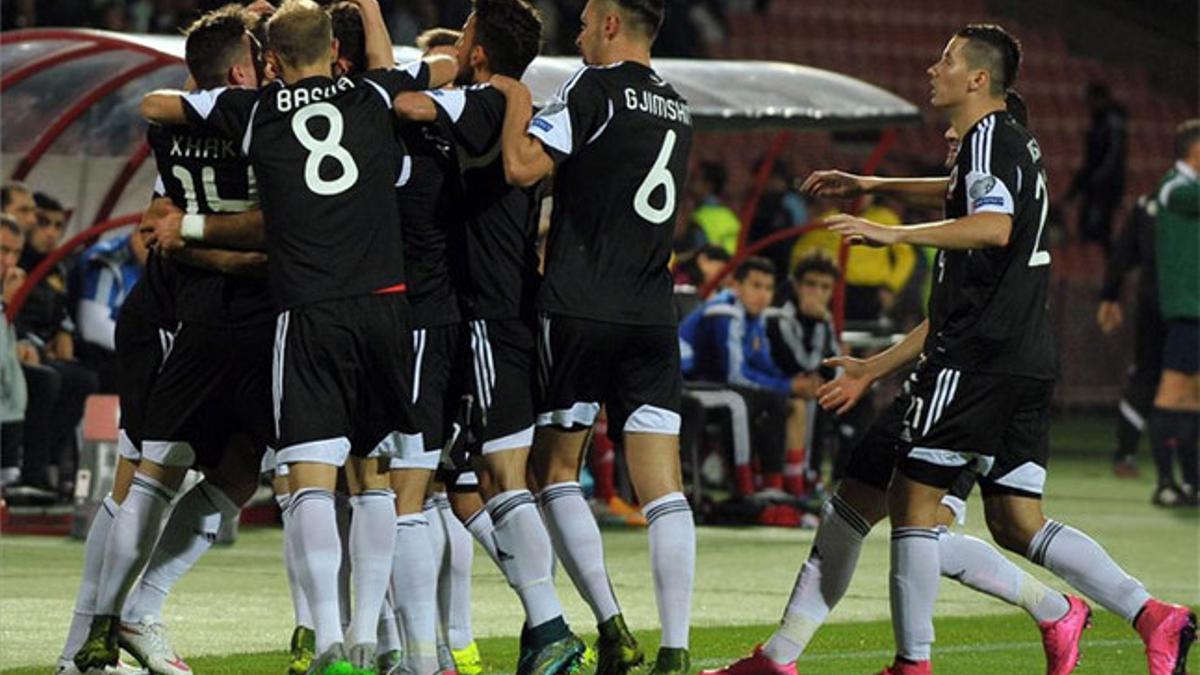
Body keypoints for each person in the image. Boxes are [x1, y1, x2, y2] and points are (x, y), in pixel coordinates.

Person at [809, 25, 1193, 674]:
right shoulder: (1015, 141)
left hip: (978, 359)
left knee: (914, 504)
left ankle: (912, 662)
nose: (934, 68)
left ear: (978, 79)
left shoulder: (988, 139)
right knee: (1018, 520)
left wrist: (886, 229)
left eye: (947, 60)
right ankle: (1155, 615)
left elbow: (990, 223)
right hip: (1025, 357)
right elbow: (964, 190)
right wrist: (874, 183)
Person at [703, 88, 1091, 675]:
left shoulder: (986, 216)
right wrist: (871, 366)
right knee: (853, 508)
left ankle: (1051, 614)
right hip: (940, 380)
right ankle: (780, 658)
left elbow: (968, 309)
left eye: (961, 135)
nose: (949, 141)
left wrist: (892, 229)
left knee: (927, 529)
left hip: (972, 388)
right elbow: (942, 318)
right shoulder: (974, 201)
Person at [137, 1, 455, 670]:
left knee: (307, 478)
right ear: (333, 50)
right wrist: (371, 14)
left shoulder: (257, 110)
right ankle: (370, 638)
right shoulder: (377, 92)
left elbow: (157, 105)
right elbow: (437, 64)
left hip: (309, 309)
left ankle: (331, 640)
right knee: (373, 476)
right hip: (386, 308)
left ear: (272, 62)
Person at [71, 7, 278, 674]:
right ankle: (87, 642)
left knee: (240, 464)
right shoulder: (251, 122)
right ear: (243, 71)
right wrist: (234, 254)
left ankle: (127, 616)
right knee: (144, 470)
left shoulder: (176, 116)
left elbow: (169, 214)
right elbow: (157, 225)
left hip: (217, 315)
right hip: (171, 319)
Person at [493, 0, 696, 671]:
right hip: (652, 313)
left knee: (553, 471)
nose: (576, 35)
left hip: (580, 306)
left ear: (611, 24)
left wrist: (515, 94)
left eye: (583, 22)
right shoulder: (679, 108)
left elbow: (524, 166)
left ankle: (611, 623)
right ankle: (676, 648)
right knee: (662, 487)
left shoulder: (592, 86)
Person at [395, 2, 591, 671]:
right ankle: (533, 629)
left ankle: (547, 626)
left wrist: (411, 76)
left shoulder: (488, 101)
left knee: (493, 480)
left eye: (469, 31)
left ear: (478, 54)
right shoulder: (515, 107)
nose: (461, 37)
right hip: (502, 311)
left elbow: (412, 108)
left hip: (486, 315)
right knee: (474, 482)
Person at [680, 257, 819, 499]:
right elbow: (735, 374)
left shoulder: (756, 317)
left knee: (793, 401)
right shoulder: (724, 313)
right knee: (739, 403)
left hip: (718, 384)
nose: (763, 295)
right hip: (688, 383)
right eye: (756, 286)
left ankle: (786, 484)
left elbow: (763, 364)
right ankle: (743, 488)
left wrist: (796, 384)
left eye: (768, 288)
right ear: (736, 286)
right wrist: (787, 385)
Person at [1147, 119, 1200, 507]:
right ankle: (1165, 482)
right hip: (1187, 308)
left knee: (1193, 397)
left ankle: (1192, 482)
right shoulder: (1173, 187)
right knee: (1172, 393)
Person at [1097, 194, 1164, 480]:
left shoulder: (1150, 201)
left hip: (1154, 301)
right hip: (1177, 305)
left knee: (1146, 376)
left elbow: (1123, 252)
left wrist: (1110, 295)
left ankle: (1126, 454)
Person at [763, 253, 841, 496]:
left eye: (825, 287)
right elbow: (800, 363)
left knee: (849, 402)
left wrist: (823, 322)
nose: (817, 293)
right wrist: (821, 322)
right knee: (807, 401)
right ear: (796, 285)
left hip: (805, 388)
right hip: (774, 386)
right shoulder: (777, 317)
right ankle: (802, 479)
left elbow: (834, 368)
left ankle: (835, 481)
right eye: (811, 284)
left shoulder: (823, 321)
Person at [73, 231, 148, 391]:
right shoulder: (108, 261)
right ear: (139, 235)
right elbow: (92, 327)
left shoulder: (152, 263)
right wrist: (145, 347)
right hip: (96, 351)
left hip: (125, 342)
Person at [1068, 82, 1127, 250]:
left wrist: (1095, 181)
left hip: (1105, 186)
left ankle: (1110, 270)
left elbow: (1111, 157)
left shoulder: (1111, 123)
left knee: (1099, 230)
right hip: (1099, 183)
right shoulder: (1101, 122)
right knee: (1091, 229)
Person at [0, 216, 28, 489]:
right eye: (3, 250)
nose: (10, 262)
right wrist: (5, 304)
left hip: (10, 409)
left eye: (16, 253)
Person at [687, 161, 740, 255]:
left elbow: (698, 253)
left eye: (694, 178)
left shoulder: (700, 217)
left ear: (708, 185)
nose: (689, 183)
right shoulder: (730, 217)